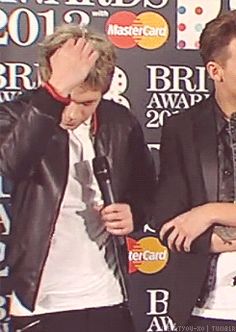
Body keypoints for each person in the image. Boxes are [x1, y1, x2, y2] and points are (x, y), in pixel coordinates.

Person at [0, 24, 157, 332]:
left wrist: (134, 213)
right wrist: (52, 96)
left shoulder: (120, 122)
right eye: (66, 99)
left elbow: (147, 188)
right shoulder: (16, 115)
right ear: (48, 80)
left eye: (87, 103)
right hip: (41, 301)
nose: (72, 113)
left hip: (107, 295)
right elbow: (10, 165)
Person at [152, 10, 236, 330]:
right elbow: (169, 223)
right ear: (216, 71)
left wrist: (210, 212)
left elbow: (194, 221)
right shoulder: (181, 129)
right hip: (204, 311)